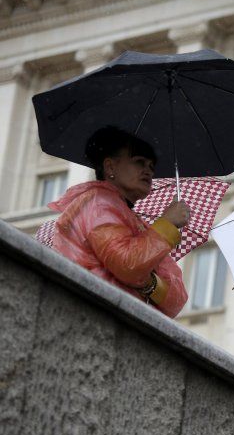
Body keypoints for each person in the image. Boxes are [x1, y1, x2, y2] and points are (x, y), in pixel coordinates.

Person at [48, 126, 189, 318]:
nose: (148, 171)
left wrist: (147, 281)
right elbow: (128, 264)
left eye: (151, 166)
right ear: (110, 167)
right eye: (139, 162)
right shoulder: (96, 203)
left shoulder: (138, 222)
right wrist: (166, 224)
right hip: (94, 313)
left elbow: (177, 299)